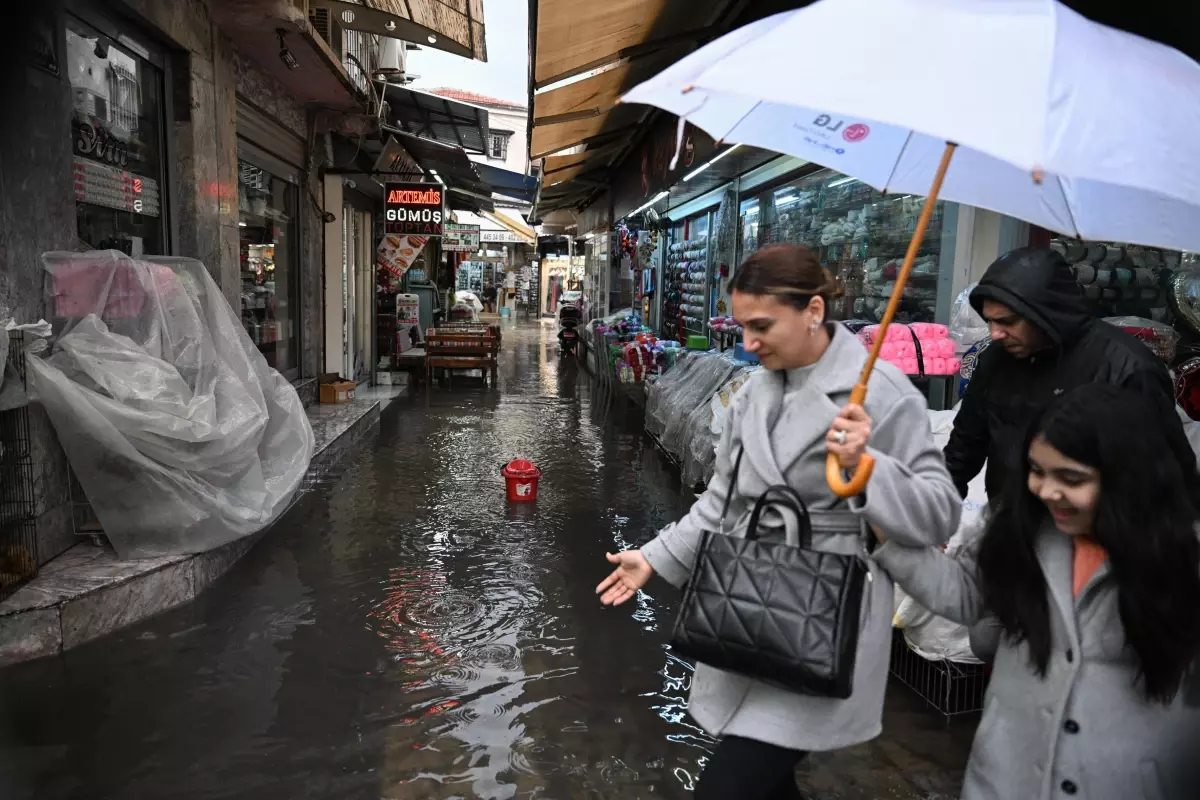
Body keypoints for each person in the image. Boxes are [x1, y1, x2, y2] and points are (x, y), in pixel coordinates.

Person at [595, 244, 961, 799]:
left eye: (761, 325)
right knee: (766, 782)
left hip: (821, 615)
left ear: (813, 310)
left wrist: (868, 469)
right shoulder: (755, 393)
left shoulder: (879, 393)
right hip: (748, 604)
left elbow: (938, 515)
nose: (747, 343)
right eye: (742, 326)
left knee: (730, 786)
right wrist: (654, 556)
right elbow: (722, 501)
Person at [875, 385, 1200, 800]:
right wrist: (887, 536)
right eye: (1037, 470)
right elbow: (966, 595)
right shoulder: (1019, 530)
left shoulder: (1184, 560)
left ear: (1128, 478)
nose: (1047, 491)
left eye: (1071, 478)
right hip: (1005, 782)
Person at [943, 247, 1195, 501]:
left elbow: (1168, 474)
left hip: (1097, 531)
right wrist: (937, 510)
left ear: (1045, 312)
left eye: (1007, 322)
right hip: (1010, 524)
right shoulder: (996, 360)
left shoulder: (1128, 369)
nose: (995, 333)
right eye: (990, 321)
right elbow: (964, 446)